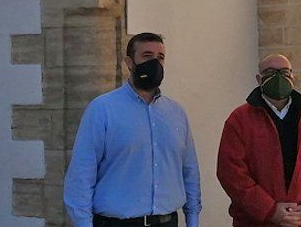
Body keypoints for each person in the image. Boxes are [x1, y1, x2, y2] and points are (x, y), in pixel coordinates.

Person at [64, 32, 201, 227]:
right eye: (147, 56)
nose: (155, 63)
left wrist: (193, 220)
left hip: (166, 221)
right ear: (129, 62)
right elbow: (81, 176)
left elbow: (190, 171)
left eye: (160, 57)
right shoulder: (103, 110)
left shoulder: (176, 113)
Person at [217, 54, 301, 227]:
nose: (278, 77)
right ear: (259, 79)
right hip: (254, 222)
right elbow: (231, 173)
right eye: (270, 72)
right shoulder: (239, 120)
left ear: (293, 77)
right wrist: (269, 210)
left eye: (284, 72)